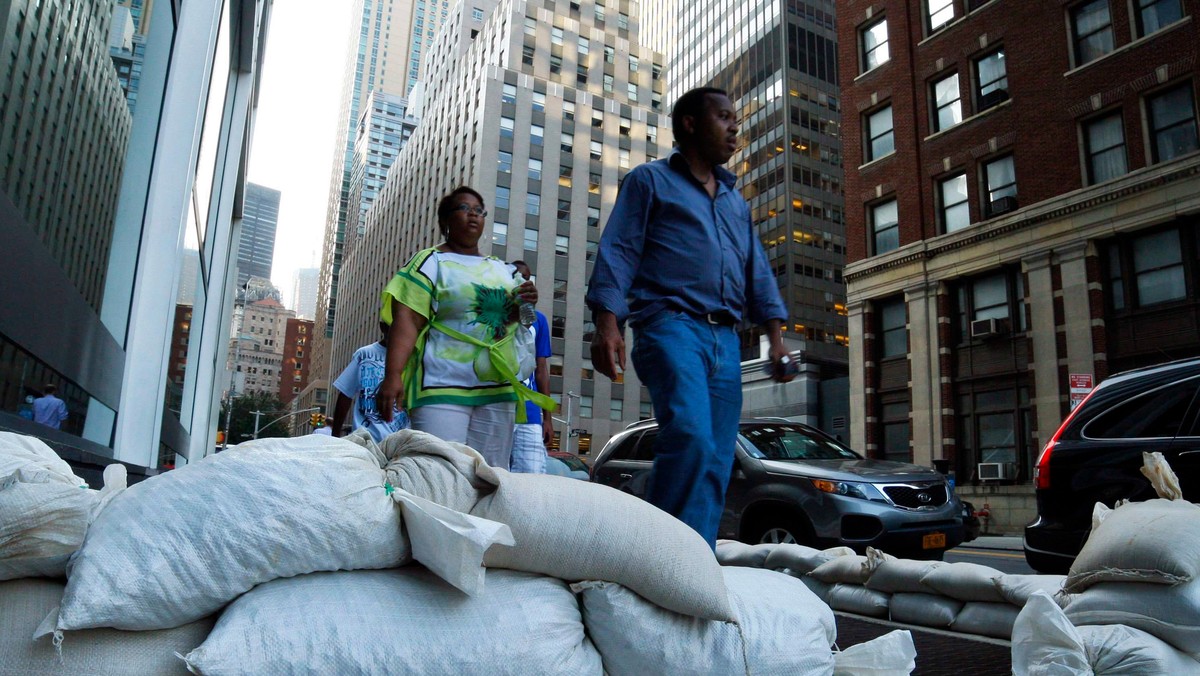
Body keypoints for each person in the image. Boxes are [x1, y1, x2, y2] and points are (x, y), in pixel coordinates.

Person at [585, 87, 795, 548]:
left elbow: (755, 267)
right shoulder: (649, 182)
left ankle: (692, 560)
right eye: (724, 117)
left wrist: (776, 337)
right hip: (670, 324)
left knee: (718, 459)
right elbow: (619, 249)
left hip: (725, 340)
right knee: (693, 439)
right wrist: (607, 323)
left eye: (735, 117)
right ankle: (654, 551)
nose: (735, 126)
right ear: (690, 125)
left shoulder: (735, 202)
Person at [375, 186, 553, 467]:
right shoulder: (429, 263)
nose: (473, 215)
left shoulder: (504, 270)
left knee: (490, 476)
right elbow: (407, 320)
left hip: (497, 387)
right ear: (446, 219)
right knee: (438, 472)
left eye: (479, 211)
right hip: (440, 385)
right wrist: (393, 375)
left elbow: (520, 323)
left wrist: (525, 304)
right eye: (464, 208)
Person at [508, 260, 554, 473]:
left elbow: (542, 368)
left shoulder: (539, 320)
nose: (522, 282)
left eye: (526, 278)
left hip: (529, 411)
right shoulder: (495, 316)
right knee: (494, 471)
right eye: (516, 276)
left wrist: (547, 418)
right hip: (498, 405)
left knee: (532, 473)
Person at [331, 323, 411, 442]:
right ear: (383, 327)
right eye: (393, 328)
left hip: (400, 442)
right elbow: (345, 394)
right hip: (366, 440)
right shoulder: (364, 355)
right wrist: (335, 437)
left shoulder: (412, 357)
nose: (397, 334)